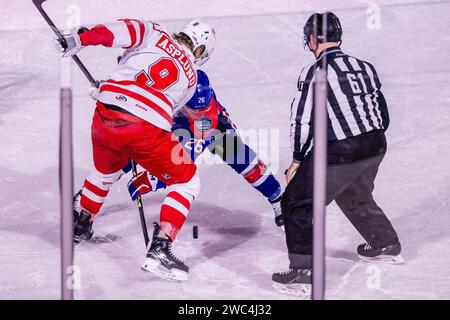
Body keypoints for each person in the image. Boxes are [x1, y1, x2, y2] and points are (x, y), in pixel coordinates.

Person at [58, 18, 216, 281]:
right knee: (187, 182)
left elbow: (118, 34)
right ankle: (161, 250)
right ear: (199, 51)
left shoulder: (154, 32)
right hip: (143, 127)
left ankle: (80, 226)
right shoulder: (191, 78)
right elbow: (163, 111)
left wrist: (80, 39)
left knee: (102, 174)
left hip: (105, 114)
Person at [272, 12, 402, 297]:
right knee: (353, 192)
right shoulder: (364, 66)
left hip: (345, 149)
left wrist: (296, 160)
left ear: (311, 39)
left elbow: (302, 121)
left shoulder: (314, 72)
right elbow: (383, 113)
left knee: (296, 200)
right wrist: (368, 140)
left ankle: (303, 273)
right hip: (376, 143)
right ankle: (385, 243)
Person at [126, 70, 284, 228]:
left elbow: (182, 160)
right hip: (175, 117)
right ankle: (106, 179)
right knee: (128, 141)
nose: (197, 113)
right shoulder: (174, 88)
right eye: (192, 110)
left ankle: (277, 198)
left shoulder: (204, 117)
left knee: (238, 155)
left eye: (200, 110)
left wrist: (154, 179)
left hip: (212, 129)